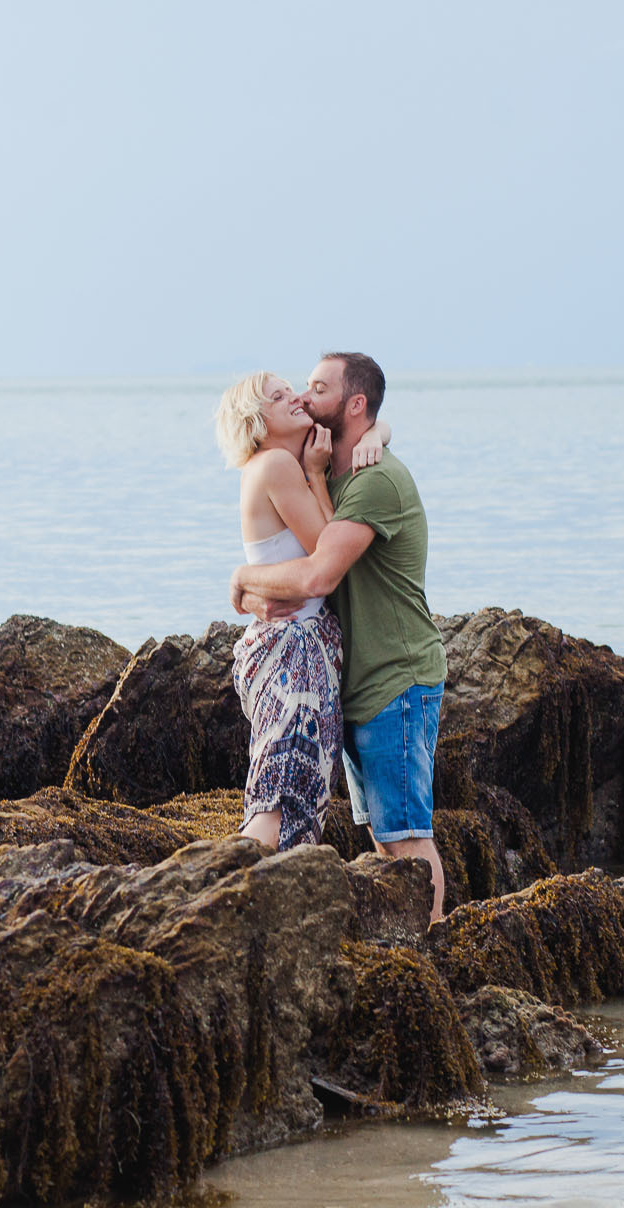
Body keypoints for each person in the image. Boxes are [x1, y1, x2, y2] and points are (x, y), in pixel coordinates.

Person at [229, 352, 449, 921]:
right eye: (290, 392)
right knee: (382, 836)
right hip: (347, 678)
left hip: (394, 678)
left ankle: (437, 944)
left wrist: (242, 579)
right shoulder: (322, 468)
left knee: (404, 838)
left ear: (353, 405)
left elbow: (318, 575)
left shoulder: (369, 478)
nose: (303, 397)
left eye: (315, 389)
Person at [214, 371, 386, 850]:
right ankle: (233, 879)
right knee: (283, 793)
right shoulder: (277, 466)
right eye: (278, 396)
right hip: (291, 648)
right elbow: (329, 551)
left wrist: (375, 434)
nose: (294, 397)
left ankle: (255, 880)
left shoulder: (279, 463)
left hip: (294, 643)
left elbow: (375, 422)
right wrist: (314, 473)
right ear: (255, 421)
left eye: (292, 390)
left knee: (291, 789)